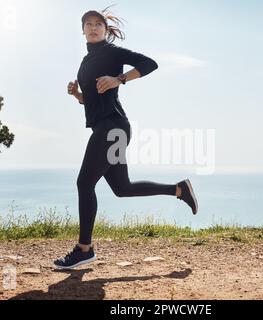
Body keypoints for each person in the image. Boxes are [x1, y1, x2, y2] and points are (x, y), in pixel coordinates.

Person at [54, 7, 198, 270]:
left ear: (106, 30)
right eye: (89, 24)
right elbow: (94, 99)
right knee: (122, 188)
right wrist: (77, 96)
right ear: (82, 30)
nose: (94, 27)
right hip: (109, 128)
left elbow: (149, 64)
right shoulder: (85, 61)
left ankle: (84, 249)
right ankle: (179, 189)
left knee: (84, 183)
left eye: (99, 24)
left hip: (112, 128)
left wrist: (119, 79)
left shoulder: (111, 52)